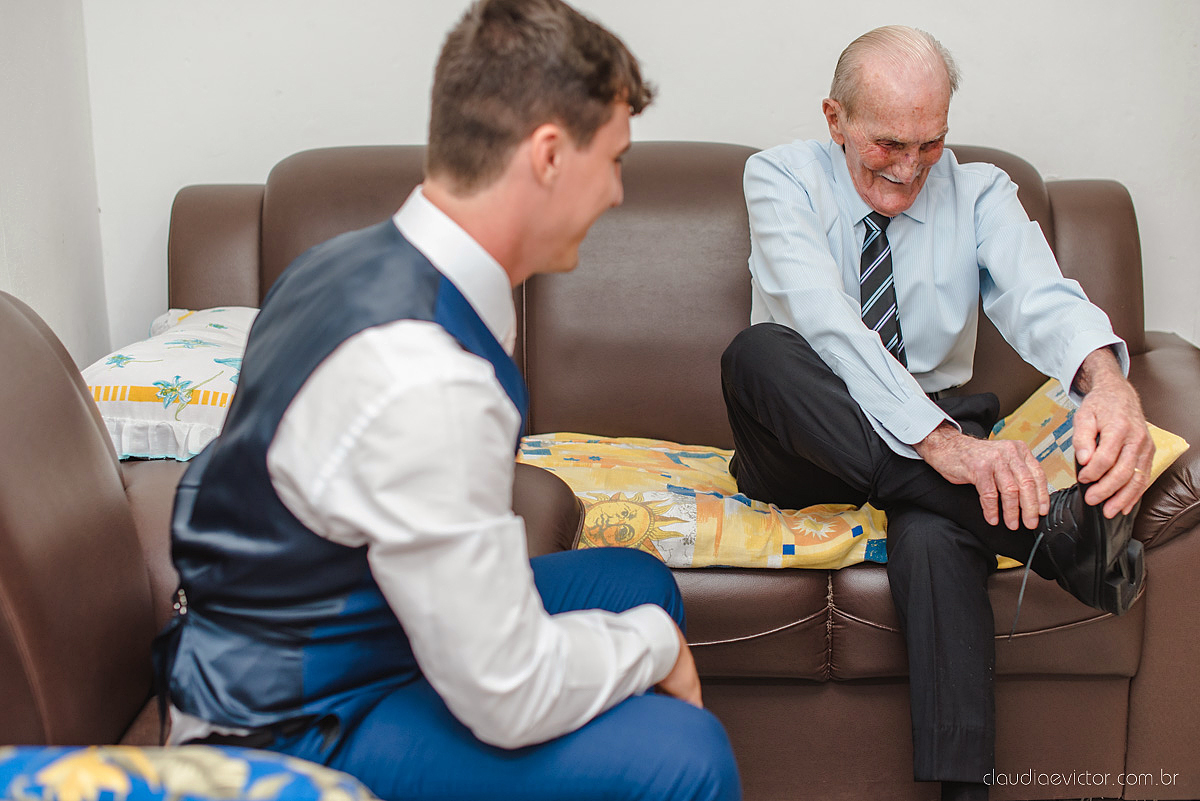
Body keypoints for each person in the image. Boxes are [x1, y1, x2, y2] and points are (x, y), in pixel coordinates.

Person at [152, 2, 741, 799]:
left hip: (346, 618)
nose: (616, 194)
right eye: (615, 160)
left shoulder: (343, 262)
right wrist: (655, 650)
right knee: (687, 754)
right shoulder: (426, 376)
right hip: (289, 720)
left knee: (635, 583)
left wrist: (641, 630)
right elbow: (507, 693)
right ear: (549, 156)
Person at [720, 25, 1153, 801]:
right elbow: (824, 321)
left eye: (932, 142)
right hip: (805, 428)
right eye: (889, 142)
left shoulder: (981, 191)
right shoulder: (778, 177)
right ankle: (1051, 537)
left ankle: (964, 793)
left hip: (942, 425)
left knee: (933, 529)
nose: (913, 167)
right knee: (757, 353)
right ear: (835, 118)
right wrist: (941, 444)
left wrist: (1107, 380)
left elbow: (1041, 298)